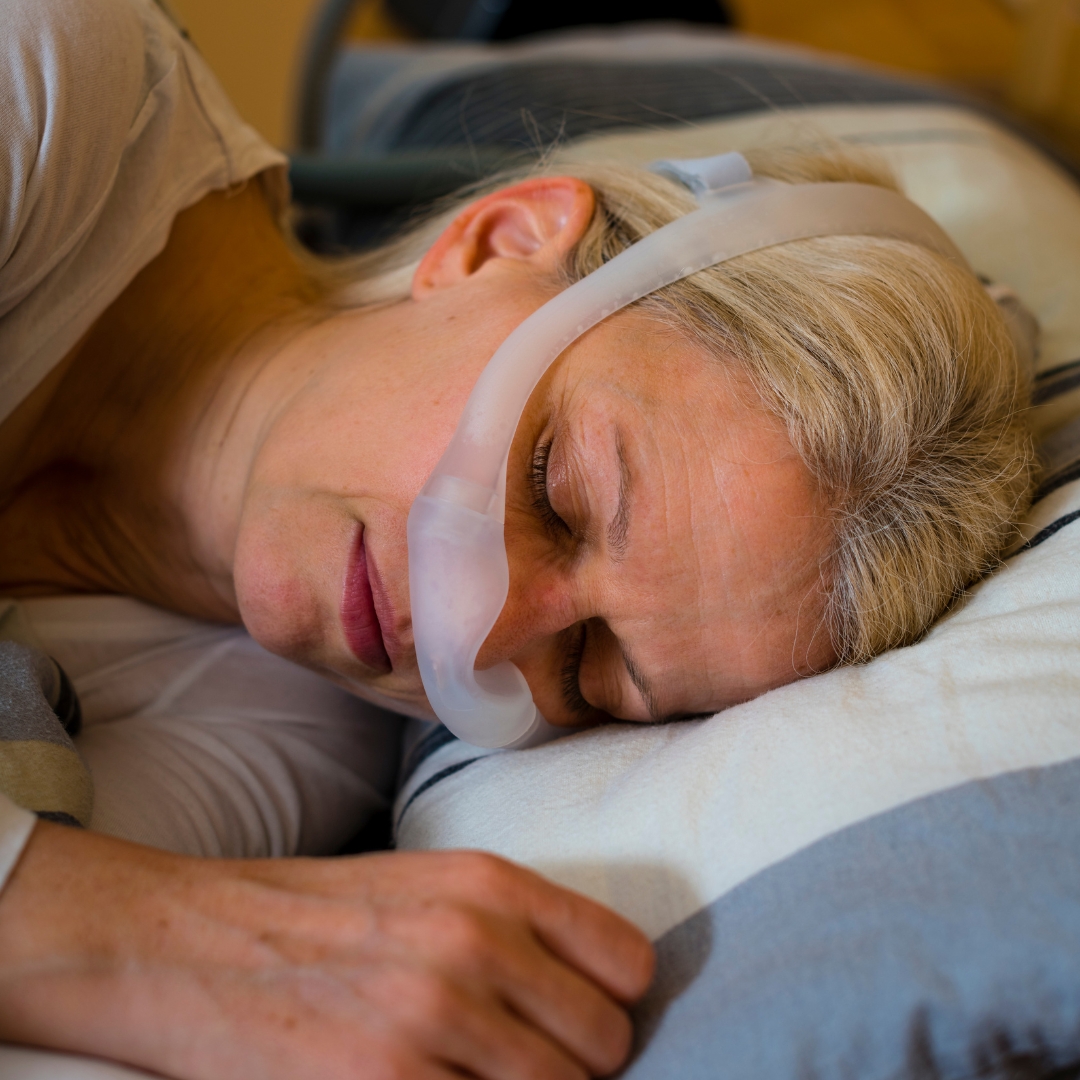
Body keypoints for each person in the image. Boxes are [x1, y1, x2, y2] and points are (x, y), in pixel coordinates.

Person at [0, 0, 1033, 1076]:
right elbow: (79, 936)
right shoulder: (58, 87)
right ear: (499, 241)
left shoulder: (292, 730)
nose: (484, 632)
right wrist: (106, 933)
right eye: (553, 488)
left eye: (586, 669)